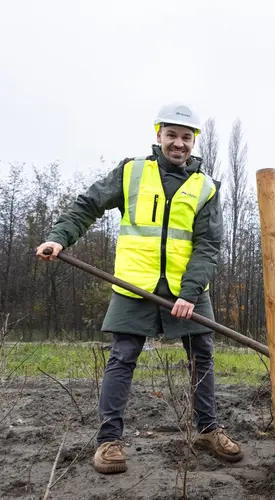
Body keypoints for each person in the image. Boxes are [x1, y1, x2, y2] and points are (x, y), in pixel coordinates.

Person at [35, 102, 243, 474]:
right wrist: (58, 239)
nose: (178, 144)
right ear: (158, 134)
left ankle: (208, 430)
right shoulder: (131, 172)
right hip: (135, 284)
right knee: (123, 356)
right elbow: (87, 206)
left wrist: (189, 293)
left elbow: (208, 245)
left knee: (203, 355)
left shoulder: (206, 188)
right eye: (171, 135)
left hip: (187, 287)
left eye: (186, 137)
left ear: (193, 141)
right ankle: (109, 441)